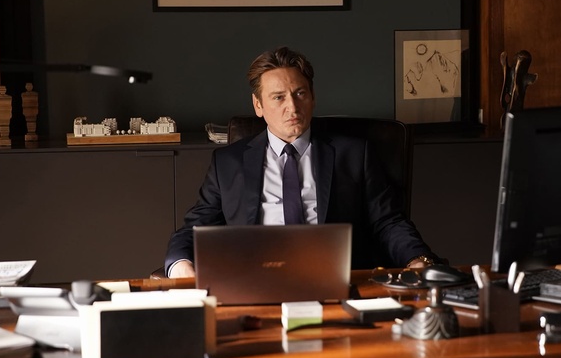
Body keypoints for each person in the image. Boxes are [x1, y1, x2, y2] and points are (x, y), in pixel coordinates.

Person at [164, 46, 442, 278]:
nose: (293, 107)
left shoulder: (354, 154)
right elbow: (194, 229)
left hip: (335, 278)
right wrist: (181, 265)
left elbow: (387, 221)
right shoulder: (228, 162)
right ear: (258, 105)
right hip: (255, 278)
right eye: (278, 97)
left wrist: (418, 259)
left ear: (313, 97)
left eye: (300, 94)